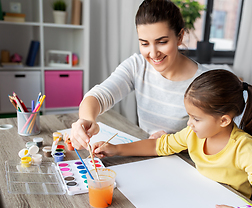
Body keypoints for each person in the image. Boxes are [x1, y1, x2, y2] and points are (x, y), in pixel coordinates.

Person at [91, 69, 252, 208]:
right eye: (189, 116)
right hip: (195, 202)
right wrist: (116, 149)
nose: (189, 123)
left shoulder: (244, 148)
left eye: (195, 118)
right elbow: (159, 146)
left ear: (223, 121)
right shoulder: (193, 134)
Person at [70, 0, 207, 150]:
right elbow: (99, 96)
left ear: (180, 37)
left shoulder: (205, 81)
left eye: (162, 42)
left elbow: (217, 139)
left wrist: (173, 142)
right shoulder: (138, 65)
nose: (153, 53)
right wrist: (86, 120)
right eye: (144, 44)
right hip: (145, 155)